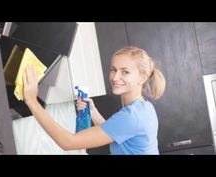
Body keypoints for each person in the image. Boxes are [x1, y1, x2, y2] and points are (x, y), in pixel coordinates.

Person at [22, 46, 166, 155]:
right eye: (113, 70)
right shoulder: (144, 108)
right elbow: (116, 133)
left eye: (125, 72)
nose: (115, 77)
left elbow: (68, 142)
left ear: (142, 77)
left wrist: (32, 101)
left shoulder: (132, 116)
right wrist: (93, 112)